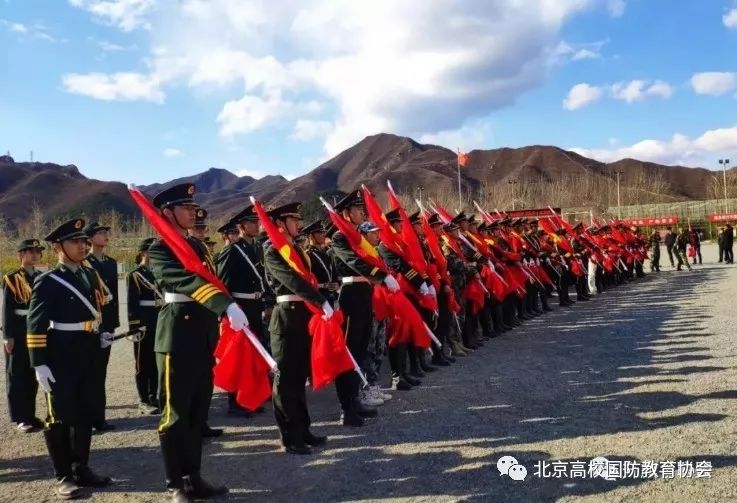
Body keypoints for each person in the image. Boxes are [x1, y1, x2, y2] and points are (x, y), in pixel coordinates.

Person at [149, 183, 248, 502]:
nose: (193, 213)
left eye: (194, 207)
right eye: (186, 208)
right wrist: (223, 304)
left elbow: (210, 279)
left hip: (203, 336)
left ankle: (194, 477)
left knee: (197, 412)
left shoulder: (198, 246)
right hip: (177, 336)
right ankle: (175, 484)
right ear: (167, 213)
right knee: (175, 413)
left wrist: (224, 308)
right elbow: (183, 280)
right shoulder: (160, 248)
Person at [27, 218, 113, 499]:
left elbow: (97, 308)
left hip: (88, 349)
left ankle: (81, 467)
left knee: (85, 411)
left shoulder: (88, 274)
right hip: (60, 353)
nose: (82, 246)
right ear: (57, 247)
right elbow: (35, 323)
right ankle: (64, 476)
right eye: (75, 242)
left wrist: (101, 331)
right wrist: (39, 362)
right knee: (60, 416)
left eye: (83, 241)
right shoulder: (48, 280)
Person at [262, 202, 330, 454]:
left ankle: (303, 429)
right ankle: (290, 436)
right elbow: (292, 280)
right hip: (286, 319)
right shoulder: (272, 251)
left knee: (299, 378)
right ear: (280, 224)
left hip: (303, 318)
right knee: (286, 381)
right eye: (293, 220)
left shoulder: (297, 250)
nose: (299, 224)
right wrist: (320, 301)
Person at [331, 190, 397, 426]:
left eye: (362, 208)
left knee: (359, 352)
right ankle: (346, 407)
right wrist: (381, 275)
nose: (362, 213)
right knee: (349, 353)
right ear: (346, 214)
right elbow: (354, 262)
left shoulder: (357, 236)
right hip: (350, 297)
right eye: (357, 209)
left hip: (364, 295)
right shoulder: (340, 237)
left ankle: (356, 399)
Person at [216, 206, 270, 417]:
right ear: (241, 226)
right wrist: (228, 310)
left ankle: (250, 398)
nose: (257, 225)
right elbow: (223, 283)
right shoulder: (232, 250)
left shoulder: (255, 248)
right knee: (239, 356)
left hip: (255, 306)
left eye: (257, 222)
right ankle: (235, 402)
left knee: (254, 354)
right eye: (252, 222)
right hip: (240, 308)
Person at [3, 238, 45, 433]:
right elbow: (7, 309)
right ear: (21, 254)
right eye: (31, 251)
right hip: (19, 329)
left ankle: (30, 414)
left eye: (38, 251)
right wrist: (8, 335)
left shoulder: (41, 276)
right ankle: (20, 417)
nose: (35, 255)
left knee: (32, 373)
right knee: (17, 374)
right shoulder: (12, 278)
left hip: (36, 329)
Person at [83, 221, 119, 433]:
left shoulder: (111, 263)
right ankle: (86, 417)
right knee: (88, 372)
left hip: (106, 326)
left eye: (106, 232)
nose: (105, 235)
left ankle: (98, 417)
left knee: (100, 372)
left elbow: (113, 298)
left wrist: (111, 325)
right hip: (90, 326)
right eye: (100, 232)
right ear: (89, 239)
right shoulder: (84, 263)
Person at [127, 237, 162, 415]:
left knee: (156, 361)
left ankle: (153, 395)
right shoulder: (135, 275)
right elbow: (132, 304)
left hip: (159, 320)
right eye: (150, 250)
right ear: (142, 253)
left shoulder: (159, 271)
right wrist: (135, 327)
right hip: (143, 323)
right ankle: (143, 400)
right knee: (142, 363)